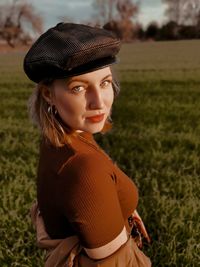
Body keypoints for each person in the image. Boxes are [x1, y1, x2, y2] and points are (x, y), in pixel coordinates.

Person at [24, 22, 151, 267]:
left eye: (104, 83)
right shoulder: (85, 169)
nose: (98, 102)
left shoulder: (61, 139)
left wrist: (118, 207)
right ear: (48, 94)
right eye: (79, 87)